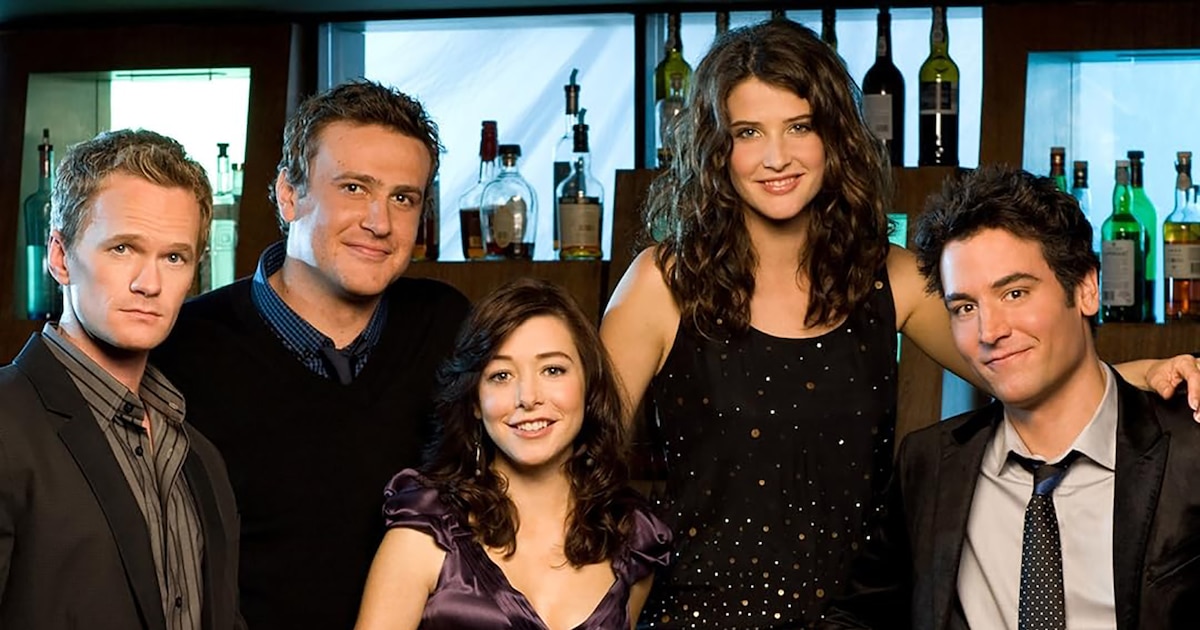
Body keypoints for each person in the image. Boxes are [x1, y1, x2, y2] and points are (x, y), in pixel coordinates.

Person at [600, 18, 1200, 629]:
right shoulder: (663, 282)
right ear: (715, 148)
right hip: (698, 617)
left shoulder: (889, 275)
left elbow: (1018, 361)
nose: (776, 157)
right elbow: (582, 457)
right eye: (748, 132)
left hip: (863, 618)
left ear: (834, 135)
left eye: (800, 126)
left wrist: (1147, 373)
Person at [820, 165, 1200, 630]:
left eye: (1015, 293)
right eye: (965, 307)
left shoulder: (1188, 449)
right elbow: (858, 617)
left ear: (1086, 288)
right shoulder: (929, 464)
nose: (990, 331)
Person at [153, 80, 471, 630]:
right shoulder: (185, 346)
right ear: (289, 194)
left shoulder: (446, 324)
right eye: (354, 188)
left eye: (403, 198)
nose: (380, 222)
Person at [0, 129, 242, 629]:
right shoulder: (6, 423)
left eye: (173, 257)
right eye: (123, 248)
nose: (148, 284)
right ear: (60, 257)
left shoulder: (200, 456)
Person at [355, 278, 671, 630]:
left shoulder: (633, 540)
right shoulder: (425, 533)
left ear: (589, 386)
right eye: (501, 375)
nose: (528, 397)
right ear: (475, 401)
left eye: (553, 370)